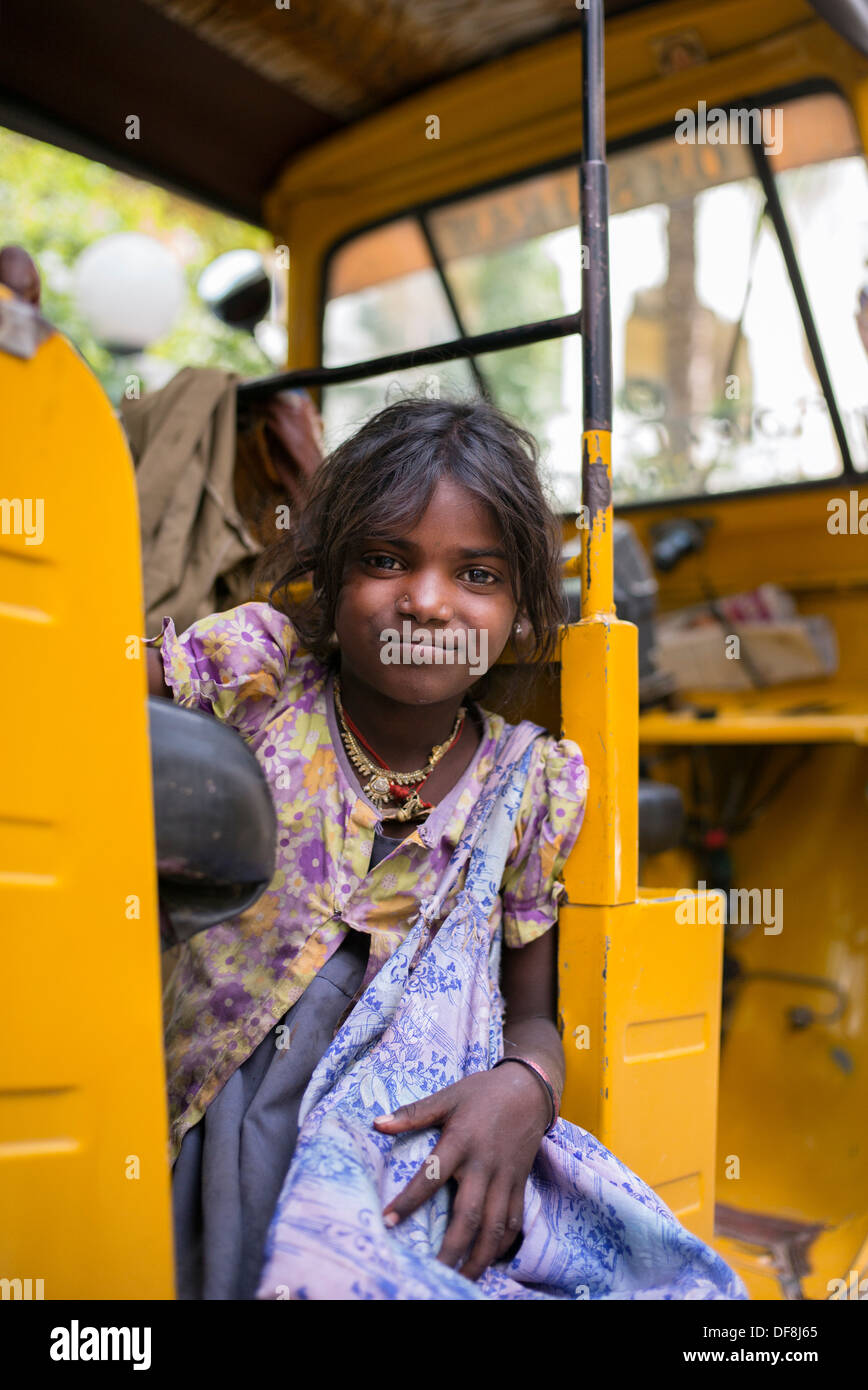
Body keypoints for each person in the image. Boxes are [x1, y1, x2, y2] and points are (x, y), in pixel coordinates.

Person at [147, 396, 748, 1302]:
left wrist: (525, 1088)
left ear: (518, 607)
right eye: (386, 560)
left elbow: (534, 1009)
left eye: (476, 573)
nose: (426, 600)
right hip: (197, 1123)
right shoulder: (258, 682)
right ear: (330, 572)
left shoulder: (527, 783)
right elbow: (72, 695)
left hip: (389, 1155)